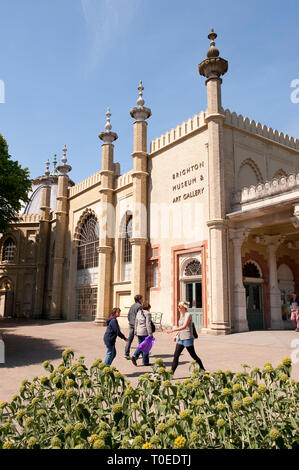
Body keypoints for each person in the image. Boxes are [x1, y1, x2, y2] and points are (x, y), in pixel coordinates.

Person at [166, 301, 205, 373]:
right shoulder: (181, 315)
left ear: (184, 307)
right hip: (181, 338)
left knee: (193, 356)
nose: (178, 308)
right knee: (176, 356)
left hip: (187, 338)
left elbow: (184, 326)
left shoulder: (188, 315)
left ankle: (202, 369)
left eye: (179, 306)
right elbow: (180, 327)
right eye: (178, 306)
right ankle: (171, 373)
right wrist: (176, 335)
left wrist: (172, 330)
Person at [131, 301, 153, 367]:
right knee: (144, 346)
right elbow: (148, 324)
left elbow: (136, 322)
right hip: (145, 332)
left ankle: (145, 361)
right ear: (148, 307)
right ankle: (135, 355)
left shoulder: (139, 312)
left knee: (143, 345)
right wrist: (150, 334)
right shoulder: (148, 313)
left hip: (139, 331)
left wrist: (135, 331)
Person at [124, 294, 143, 359]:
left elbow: (128, 315)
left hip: (131, 324)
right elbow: (140, 317)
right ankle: (142, 353)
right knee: (141, 340)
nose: (142, 300)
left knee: (130, 339)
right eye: (142, 298)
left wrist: (130, 322)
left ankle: (126, 354)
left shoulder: (132, 306)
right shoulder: (140, 306)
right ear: (140, 299)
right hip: (137, 325)